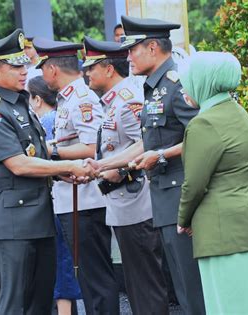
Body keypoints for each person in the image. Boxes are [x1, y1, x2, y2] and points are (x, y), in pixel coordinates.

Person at [0, 28, 95, 314]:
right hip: (11, 222)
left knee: (40, 301)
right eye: (15, 66)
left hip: (36, 216)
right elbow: (19, 163)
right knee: (16, 303)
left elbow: (37, 153)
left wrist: (61, 172)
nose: (24, 70)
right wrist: (68, 165)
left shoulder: (20, 104)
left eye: (24, 64)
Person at [85, 16, 206, 315]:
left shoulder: (177, 85)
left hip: (180, 196)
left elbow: (203, 139)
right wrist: (101, 165)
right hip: (163, 198)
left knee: (192, 290)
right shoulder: (155, 86)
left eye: (132, 49)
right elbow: (147, 143)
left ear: (152, 47)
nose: (127, 57)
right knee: (180, 285)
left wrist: (162, 156)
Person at [176, 51, 248, 314]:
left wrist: (183, 219)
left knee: (227, 305)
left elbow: (194, 184)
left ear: (203, 82)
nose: (185, 89)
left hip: (221, 232)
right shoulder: (239, 113)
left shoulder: (204, 123)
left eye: (188, 81)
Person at [34, 37, 120, 315]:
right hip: (72, 198)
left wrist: (52, 152)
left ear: (52, 69)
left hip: (85, 200)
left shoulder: (81, 98)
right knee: (87, 278)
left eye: (42, 67)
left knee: (96, 279)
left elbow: (94, 146)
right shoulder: (68, 98)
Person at [83, 36, 169, 314]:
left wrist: (119, 168)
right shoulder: (113, 101)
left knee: (145, 283)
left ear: (108, 69)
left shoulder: (128, 100)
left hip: (136, 202)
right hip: (122, 203)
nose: (86, 74)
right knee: (135, 283)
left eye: (91, 68)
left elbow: (148, 142)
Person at [28, 76, 82, 315]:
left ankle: (64, 310)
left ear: (37, 99)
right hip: (58, 191)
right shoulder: (53, 116)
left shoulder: (47, 120)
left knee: (61, 256)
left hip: (57, 192)